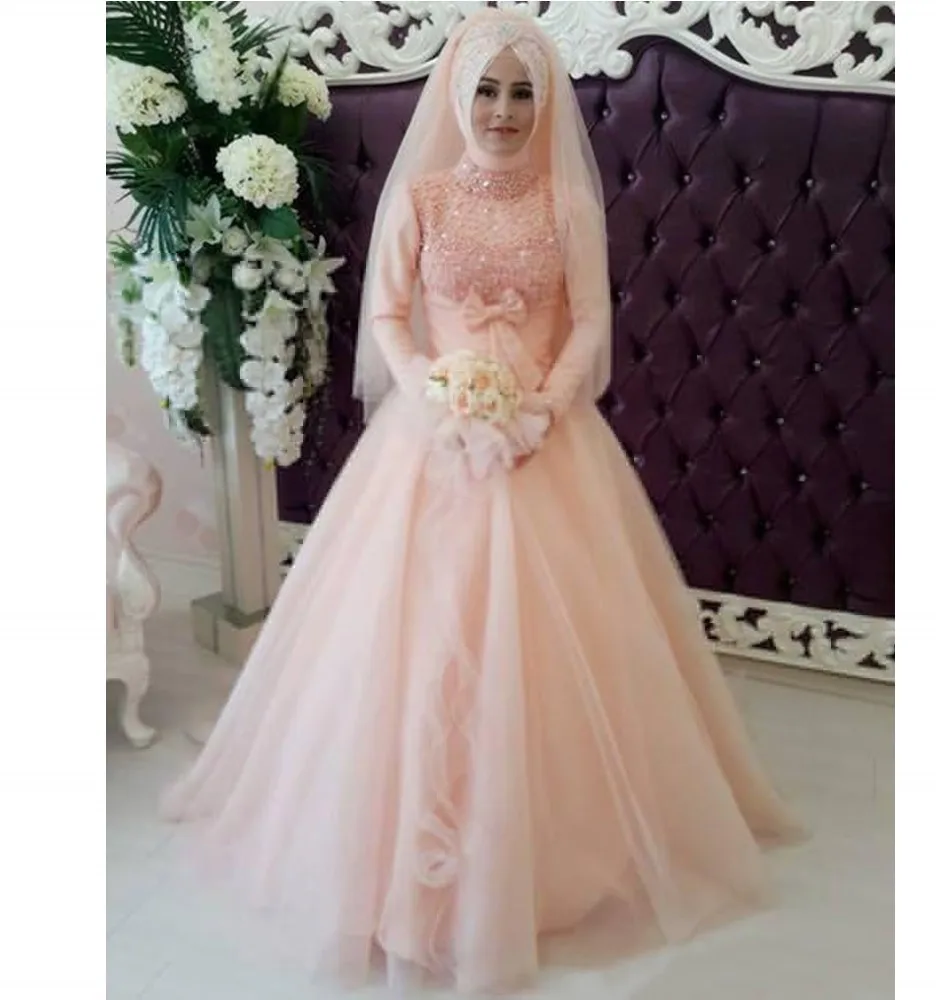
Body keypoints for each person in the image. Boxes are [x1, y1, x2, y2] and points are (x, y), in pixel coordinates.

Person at [162, 8, 805, 994]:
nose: (503, 111)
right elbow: (386, 315)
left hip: (546, 438)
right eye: (488, 90)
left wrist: (541, 406)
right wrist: (439, 394)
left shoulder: (566, 205)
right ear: (457, 96)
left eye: (521, 92)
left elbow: (588, 322)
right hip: (431, 437)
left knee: (553, 648)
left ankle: (541, 853)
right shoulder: (421, 197)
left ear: (542, 103)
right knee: (408, 641)